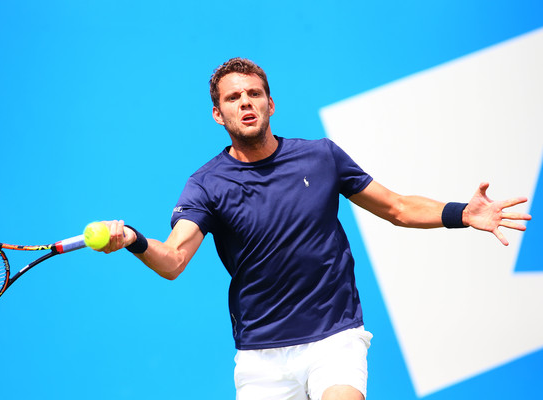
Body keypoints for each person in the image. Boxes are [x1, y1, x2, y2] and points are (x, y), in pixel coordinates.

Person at [99, 58, 531, 400]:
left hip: (334, 337)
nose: (246, 102)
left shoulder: (321, 157)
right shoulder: (206, 184)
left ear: (270, 105)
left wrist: (463, 213)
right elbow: (174, 260)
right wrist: (135, 240)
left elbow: (397, 207)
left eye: (254, 94)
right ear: (218, 114)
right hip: (260, 356)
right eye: (234, 98)